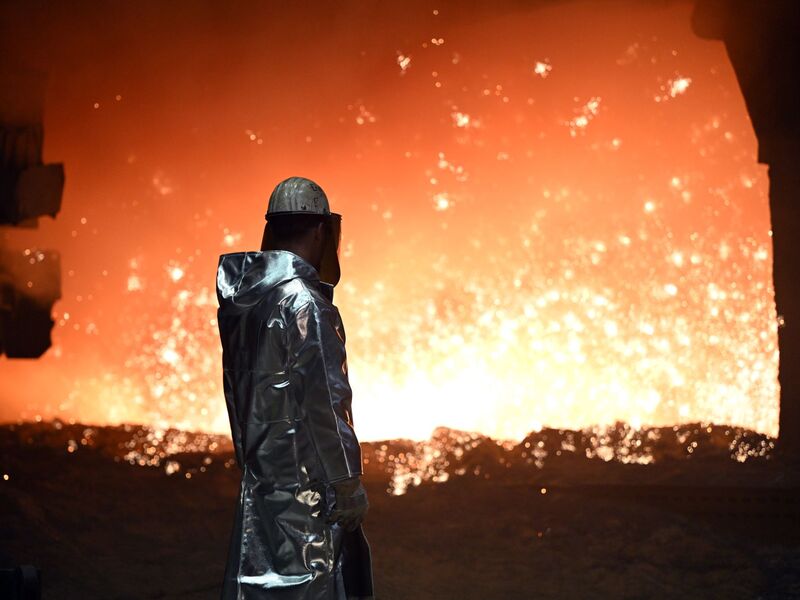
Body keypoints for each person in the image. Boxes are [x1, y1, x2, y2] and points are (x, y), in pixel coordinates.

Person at [216, 176, 373, 599]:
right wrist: (346, 482)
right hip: (309, 491)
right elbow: (325, 401)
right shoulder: (304, 303)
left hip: (262, 481)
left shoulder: (247, 303)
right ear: (322, 230)